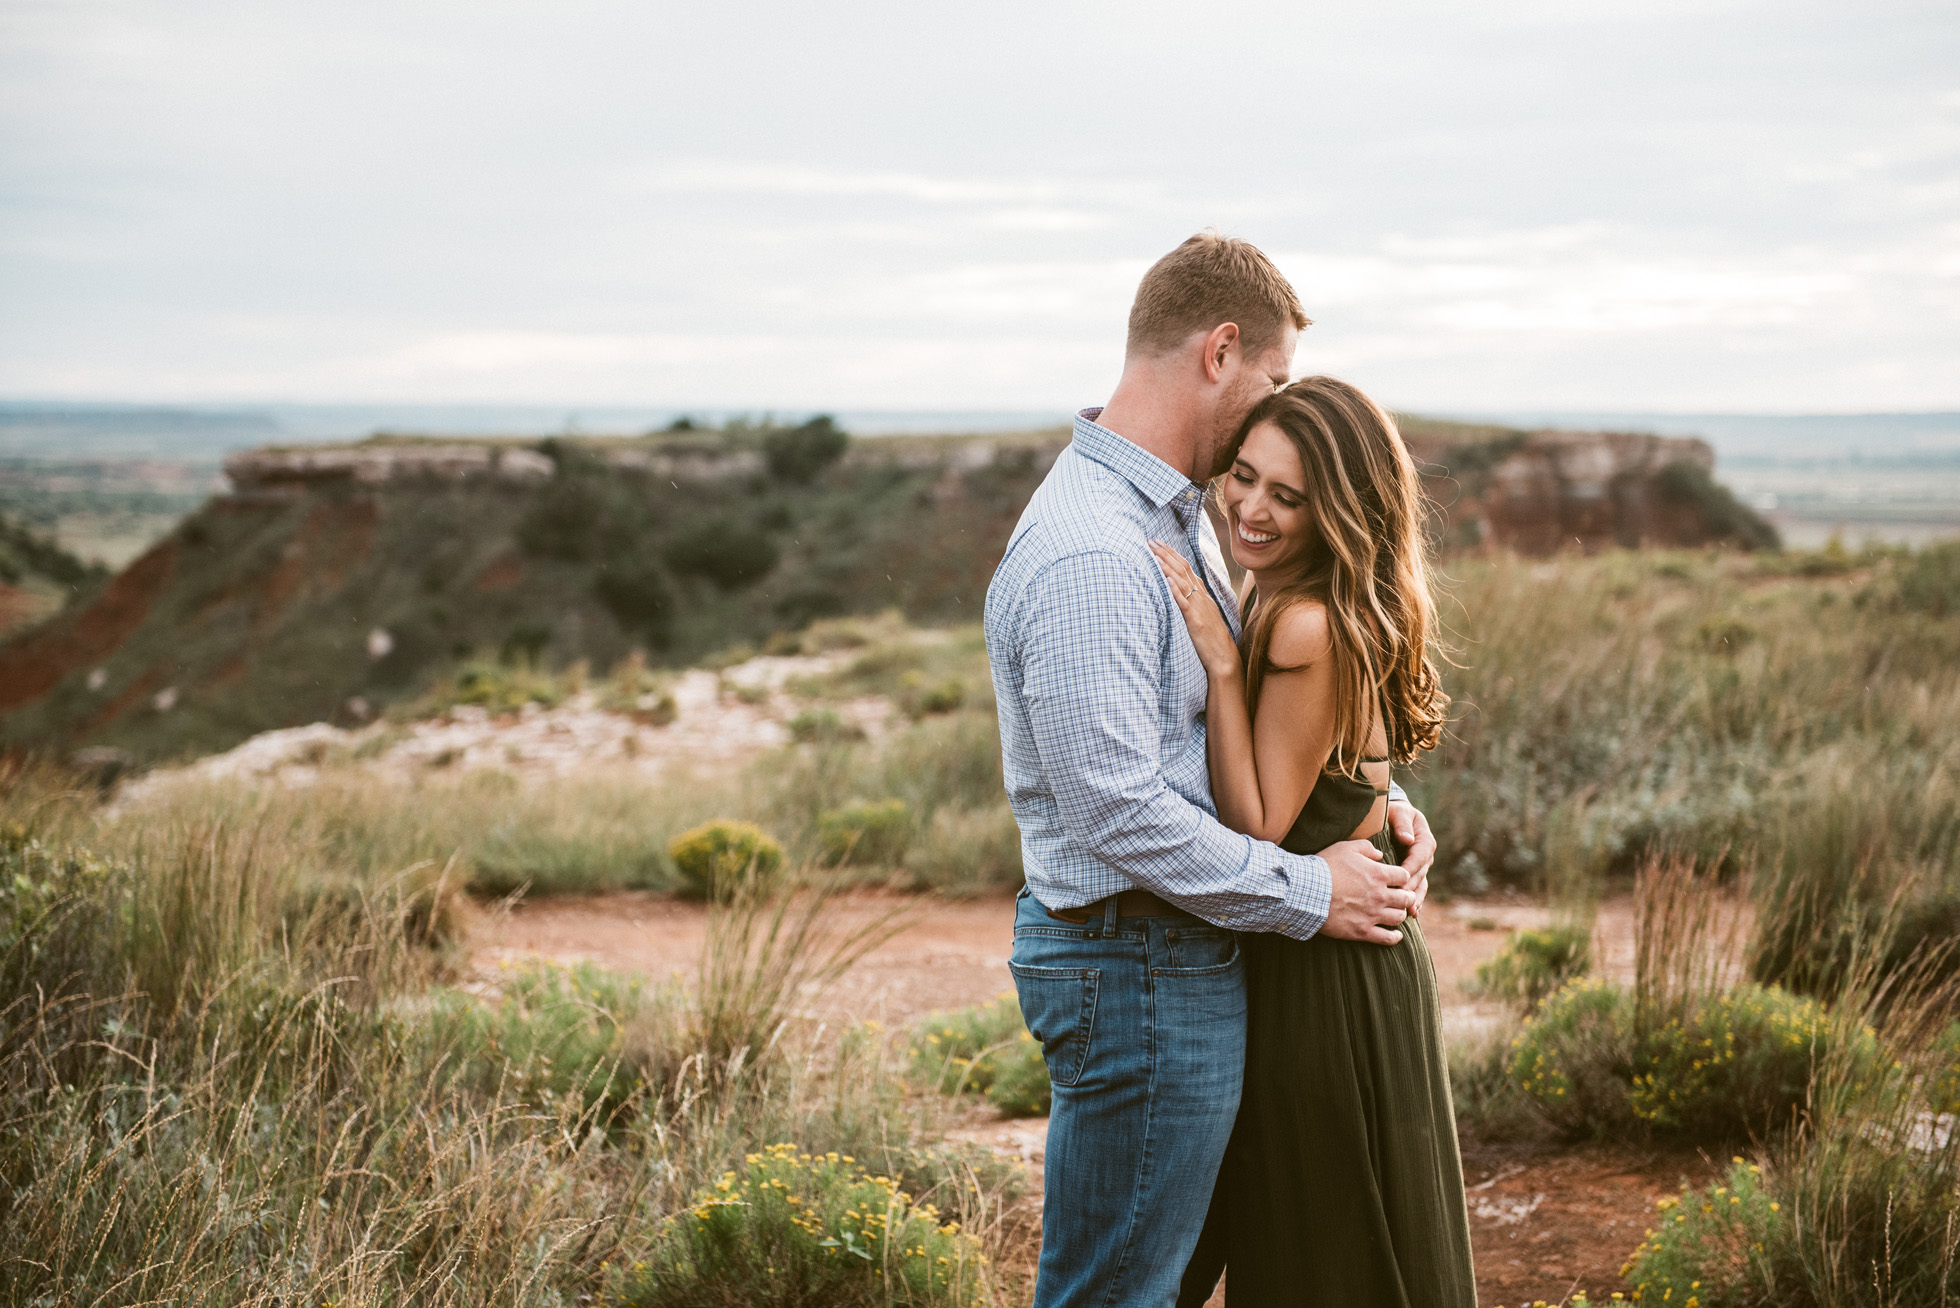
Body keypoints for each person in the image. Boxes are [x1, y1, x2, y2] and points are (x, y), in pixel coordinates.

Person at [982, 232, 1438, 1308]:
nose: (1278, 405)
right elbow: (1116, 812)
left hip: (1187, 955)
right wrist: (1309, 891)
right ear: (1221, 350)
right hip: (1136, 960)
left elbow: (1236, 729)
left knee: (1161, 1284)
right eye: (1274, 380)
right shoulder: (1095, 550)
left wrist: (1371, 803)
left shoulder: (1174, 515)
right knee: (1120, 1295)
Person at [1157, 377, 1475, 1307]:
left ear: (1337, 510)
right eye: (1243, 476)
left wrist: (1221, 666)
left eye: (1286, 496)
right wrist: (1385, 809)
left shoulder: (1302, 621)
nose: (1251, 509)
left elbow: (1258, 824)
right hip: (1344, 961)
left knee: (1327, 1249)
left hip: (1325, 985)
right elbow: (1336, 775)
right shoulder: (1293, 592)